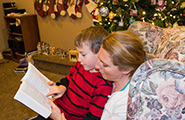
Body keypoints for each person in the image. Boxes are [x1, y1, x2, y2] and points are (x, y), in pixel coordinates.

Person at [34, 26, 113, 120]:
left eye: (83, 54)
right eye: (78, 53)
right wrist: (62, 87)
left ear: (101, 53)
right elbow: (67, 79)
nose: (79, 59)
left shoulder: (103, 85)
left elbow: (93, 118)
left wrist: (58, 118)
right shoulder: (80, 66)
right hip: (55, 109)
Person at [95, 30, 146, 120]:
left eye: (105, 65)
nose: (96, 66)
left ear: (126, 69)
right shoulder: (111, 80)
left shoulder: (125, 104)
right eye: (99, 59)